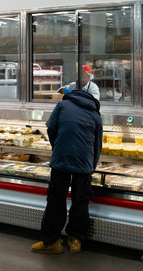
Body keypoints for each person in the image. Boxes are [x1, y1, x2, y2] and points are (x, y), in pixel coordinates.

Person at [31, 88, 103, 254]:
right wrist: (91, 166)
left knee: (56, 200)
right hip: (84, 162)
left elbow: (50, 128)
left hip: (61, 159)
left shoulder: (62, 105)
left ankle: (52, 242)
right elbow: (97, 144)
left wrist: (58, 147)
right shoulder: (95, 114)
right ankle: (75, 240)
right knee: (80, 201)